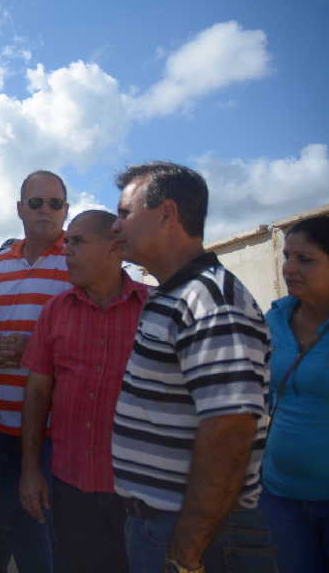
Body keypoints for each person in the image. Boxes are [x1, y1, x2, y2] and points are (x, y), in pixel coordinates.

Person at [110, 162, 276, 573]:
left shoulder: (211, 302)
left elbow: (230, 430)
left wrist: (187, 551)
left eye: (124, 213)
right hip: (162, 524)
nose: (115, 227)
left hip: (193, 535)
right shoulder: (175, 295)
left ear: (166, 214)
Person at [18, 210, 146, 573]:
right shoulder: (55, 312)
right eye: (67, 242)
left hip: (138, 491)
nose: (66, 251)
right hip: (70, 485)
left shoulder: (156, 309)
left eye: (78, 242)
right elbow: (38, 393)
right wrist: (30, 471)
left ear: (115, 248)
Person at [0, 170, 72, 573]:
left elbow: (88, 334)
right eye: (36, 202)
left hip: (55, 425)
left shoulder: (78, 262)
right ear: (19, 209)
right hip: (0, 420)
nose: (45, 210)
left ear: (66, 210)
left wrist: (33, 347)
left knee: (44, 522)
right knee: (1, 515)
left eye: (55, 203)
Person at [259, 215, 329, 572]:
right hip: (281, 495)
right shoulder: (275, 320)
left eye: (305, 259)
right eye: (287, 256)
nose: (289, 268)